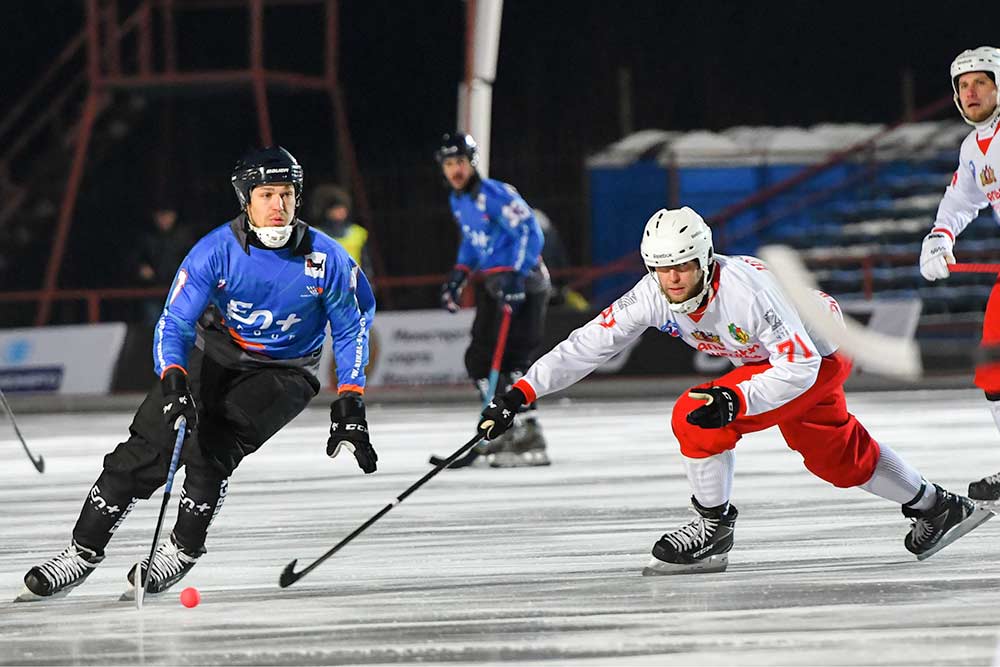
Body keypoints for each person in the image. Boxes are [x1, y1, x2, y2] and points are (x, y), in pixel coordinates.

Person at [479, 206, 991, 574]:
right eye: (660, 268)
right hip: (788, 359)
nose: (672, 279)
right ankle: (935, 505)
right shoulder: (653, 293)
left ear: (705, 259)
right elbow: (588, 344)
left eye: (681, 266)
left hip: (816, 355)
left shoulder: (745, 291)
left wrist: (734, 399)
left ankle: (713, 526)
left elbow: (800, 365)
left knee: (696, 413)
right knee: (834, 456)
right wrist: (522, 393)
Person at [16, 146, 378, 602]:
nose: (277, 206)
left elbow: (351, 327)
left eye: (286, 194)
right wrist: (174, 381)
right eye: (266, 194)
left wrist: (350, 399)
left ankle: (182, 549)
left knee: (210, 451)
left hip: (284, 371)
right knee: (141, 453)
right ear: (245, 199)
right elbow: (175, 322)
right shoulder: (214, 251)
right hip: (217, 351)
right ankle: (80, 554)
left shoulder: (327, 259)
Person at [436, 132, 551, 467]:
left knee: (510, 359)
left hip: (523, 284)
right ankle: (509, 427)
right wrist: (459, 273)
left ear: (471, 163)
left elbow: (530, 231)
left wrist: (517, 273)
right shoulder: (459, 201)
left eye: (460, 162)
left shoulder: (494, 194)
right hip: (494, 284)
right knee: (482, 360)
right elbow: (473, 242)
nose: (455, 170)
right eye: (448, 164)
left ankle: (524, 430)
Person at [919, 46, 1000, 504]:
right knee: (994, 370)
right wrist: (939, 236)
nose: (970, 92)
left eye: (981, 82)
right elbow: (960, 200)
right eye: (962, 86)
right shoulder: (974, 147)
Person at [136, 206, 194, 326]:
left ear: (174, 216)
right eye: (160, 215)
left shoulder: (184, 237)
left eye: (167, 215)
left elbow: (193, 263)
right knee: (153, 326)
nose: (163, 219)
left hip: (179, 292)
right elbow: (136, 260)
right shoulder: (147, 237)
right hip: (153, 291)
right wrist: (141, 268)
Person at [310, 184, 375, 280]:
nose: (340, 212)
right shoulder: (315, 235)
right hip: (327, 285)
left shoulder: (359, 233)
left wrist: (368, 283)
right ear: (326, 211)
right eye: (335, 208)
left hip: (353, 283)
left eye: (342, 207)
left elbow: (366, 264)